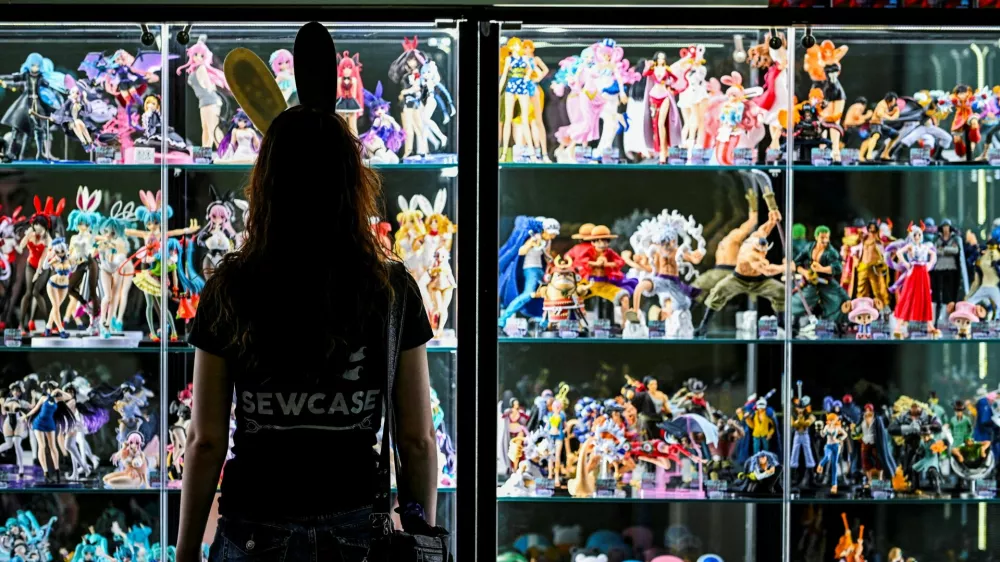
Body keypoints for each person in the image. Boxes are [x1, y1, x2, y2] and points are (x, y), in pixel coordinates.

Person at [175, 105, 438, 562]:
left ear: (266, 185)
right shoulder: (392, 289)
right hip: (357, 528)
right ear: (352, 186)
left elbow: (206, 440)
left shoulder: (230, 285)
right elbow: (417, 441)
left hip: (254, 527)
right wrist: (422, 538)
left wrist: (184, 550)